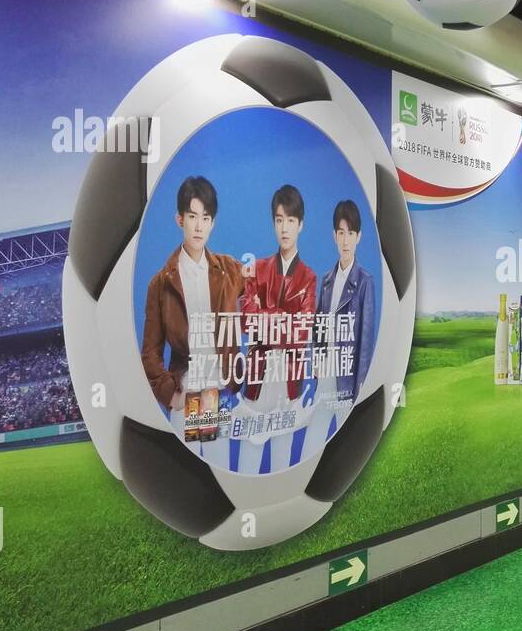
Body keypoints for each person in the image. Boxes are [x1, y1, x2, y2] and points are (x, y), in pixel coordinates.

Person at [140, 176, 244, 468]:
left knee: (218, 473)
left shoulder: (229, 270)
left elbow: (262, 289)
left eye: (206, 218)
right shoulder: (160, 284)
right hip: (185, 391)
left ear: (213, 223)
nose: (199, 226)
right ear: (179, 219)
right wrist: (168, 391)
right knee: (185, 475)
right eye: (192, 216)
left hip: (216, 390)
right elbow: (149, 352)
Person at [236, 184, 317, 473]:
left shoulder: (308, 277)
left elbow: (303, 331)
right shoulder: (257, 269)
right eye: (279, 220)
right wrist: (284, 317)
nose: (285, 228)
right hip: (258, 381)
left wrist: (267, 314)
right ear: (273, 223)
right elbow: (247, 322)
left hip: (289, 385)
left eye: (291, 221)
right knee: (249, 456)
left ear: (301, 225)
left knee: (284, 457)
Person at [304, 199, 377, 447]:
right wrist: (315, 360)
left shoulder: (365, 282)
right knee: (312, 441)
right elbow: (317, 326)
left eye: (351, 233)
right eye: (341, 233)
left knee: (349, 445)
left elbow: (365, 345)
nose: (346, 241)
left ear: (359, 237)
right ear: (334, 235)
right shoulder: (326, 280)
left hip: (347, 383)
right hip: (325, 377)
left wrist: (360, 393)